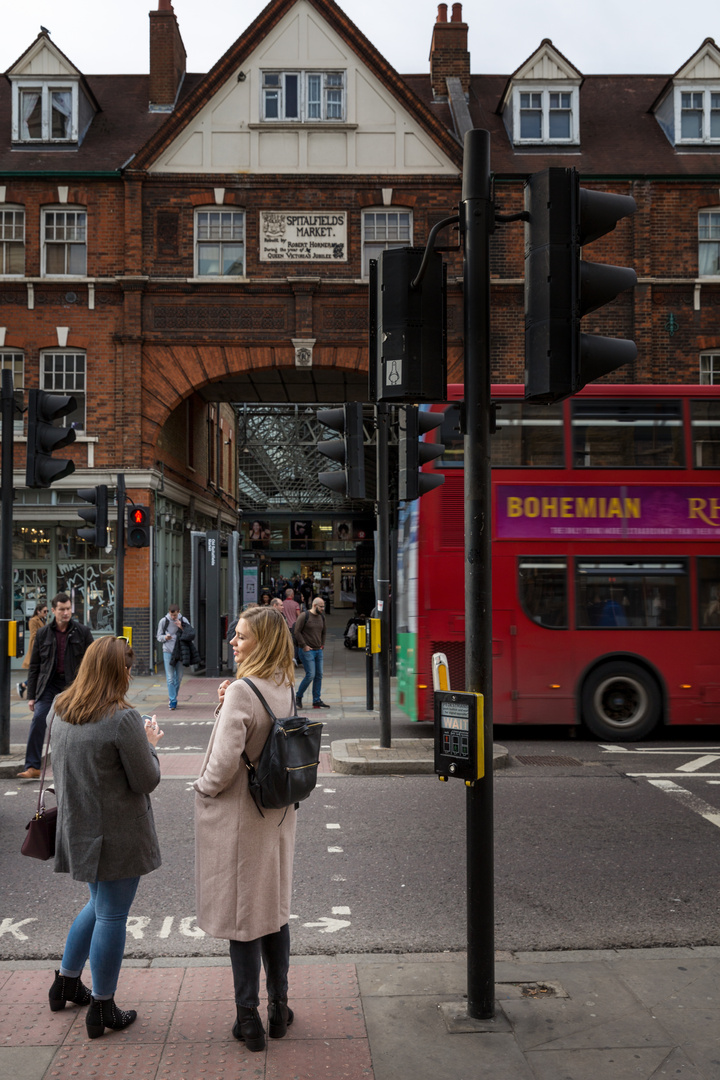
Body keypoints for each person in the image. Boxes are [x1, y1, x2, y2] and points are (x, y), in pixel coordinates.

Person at [194, 607, 298, 1053]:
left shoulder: (243, 690)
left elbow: (222, 764)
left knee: (243, 918)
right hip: (276, 814)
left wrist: (201, 788)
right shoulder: (283, 683)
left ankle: (248, 1021)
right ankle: (279, 1009)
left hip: (241, 817)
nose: (233, 643)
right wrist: (227, 701)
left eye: (241, 637)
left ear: (263, 641)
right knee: (273, 910)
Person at [49, 636, 163, 1039]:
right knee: (112, 915)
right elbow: (147, 779)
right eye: (128, 668)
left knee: (97, 907)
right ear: (117, 671)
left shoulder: (60, 710)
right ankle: (102, 1006)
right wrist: (150, 746)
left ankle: (65, 981)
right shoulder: (122, 719)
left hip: (78, 830)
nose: (131, 674)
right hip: (116, 835)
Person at [18, 593, 93, 780]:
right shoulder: (43, 634)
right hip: (49, 685)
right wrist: (31, 696)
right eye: (62, 609)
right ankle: (33, 766)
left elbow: (93, 662)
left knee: (76, 725)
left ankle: (78, 766)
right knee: (38, 719)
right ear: (53, 611)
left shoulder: (82, 632)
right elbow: (35, 666)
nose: (66, 612)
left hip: (72, 686)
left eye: (68, 608)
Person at [293, 596, 329, 709]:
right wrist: (304, 645)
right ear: (315, 605)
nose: (323, 609)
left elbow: (324, 632)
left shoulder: (322, 617)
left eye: (323, 606)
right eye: (321, 607)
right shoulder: (305, 616)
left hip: (318, 650)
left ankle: (316, 700)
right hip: (306, 650)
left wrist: (322, 644)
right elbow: (296, 632)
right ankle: (298, 696)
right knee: (311, 675)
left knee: (319, 675)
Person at [156, 604, 190, 710]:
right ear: (169, 612)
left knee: (178, 677)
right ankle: (173, 700)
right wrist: (165, 637)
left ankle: (173, 697)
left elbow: (190, 633)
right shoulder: (164, 621)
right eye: (172, 615)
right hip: (167, 651)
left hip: (179, 651)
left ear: (178, 612)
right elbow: (158, 636)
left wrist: (181, 626)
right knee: (170, 678)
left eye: (175, 615)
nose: (173, 617)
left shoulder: (183, 620)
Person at [17, 600, 48, 699]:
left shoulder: (43, 620)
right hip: (37, 648)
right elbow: (34, 635)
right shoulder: (33, 620)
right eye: (44, 611)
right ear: (38, 611)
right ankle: (23, 686)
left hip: (43, 647)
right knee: (37, 671)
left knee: (39, 671)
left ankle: (24, 686)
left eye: (47, 611)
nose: (46, 613)